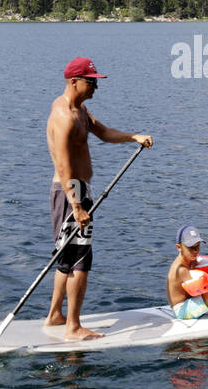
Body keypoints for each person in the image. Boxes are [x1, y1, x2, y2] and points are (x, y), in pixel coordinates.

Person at [46, 57, 152, 340]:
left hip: (76, 191)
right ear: (74, 81)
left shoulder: (80, 111)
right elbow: (64, 165)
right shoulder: (64, 116)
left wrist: (134, 137)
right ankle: (73, 327)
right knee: (81, 260)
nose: (96, 87)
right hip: (71, 193)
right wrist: (77, 206)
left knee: (66, 257)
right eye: (91, 82)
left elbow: (103, 133)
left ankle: (56, 315)